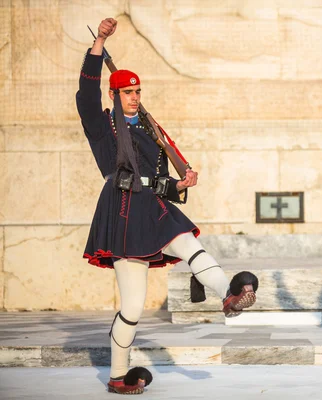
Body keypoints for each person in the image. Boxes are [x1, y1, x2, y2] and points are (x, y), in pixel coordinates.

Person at [77, 18, 258, 395]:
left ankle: (229, 294)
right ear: (115, 95)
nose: (134, 97)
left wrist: (180, 183)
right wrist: (99, 45)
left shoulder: (147, 130)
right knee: (133, 307)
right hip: (124, 213)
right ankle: (117, 374)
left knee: (190, 245)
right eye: (127, 92)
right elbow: (85, 92)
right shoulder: (103, 126)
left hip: (154, 207)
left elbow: (157, 178)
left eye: (138, 91)